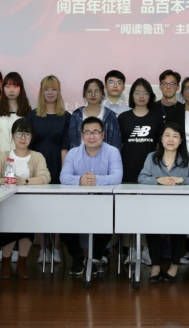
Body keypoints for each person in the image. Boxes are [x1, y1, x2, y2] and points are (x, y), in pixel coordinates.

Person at [137, 122, 189, 283]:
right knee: (151, 226)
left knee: (179, 226)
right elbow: (142, 177)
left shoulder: (187, 158)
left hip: (180, 205)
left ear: (181, 141)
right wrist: (158, 180)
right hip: (155, 205)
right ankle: (155, 266)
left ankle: (174, 265)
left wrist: (182, 180)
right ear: (161, 139)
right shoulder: (152, 157)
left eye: (175, 136)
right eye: (167, 135)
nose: (171, 139)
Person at [0, 119, 51, 279]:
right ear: (13, 135)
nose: (23, 137)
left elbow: (45, 177)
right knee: (9, 227)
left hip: (29, 204)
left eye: (27, 134)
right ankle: (6, 262)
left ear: (31, 137)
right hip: (7, 203)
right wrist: (7, 180)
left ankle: (22, 262)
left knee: (26, 228)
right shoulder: (4, 156)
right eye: (19, 133)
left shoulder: (37, 156)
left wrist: (24, 181)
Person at [59, 117, 123, 276]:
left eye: (95, 132)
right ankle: (77, 257)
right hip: (77, 203)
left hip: (103, 202)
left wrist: (97, 180)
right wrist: (80, 180)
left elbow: (117, 177)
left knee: (110, 217)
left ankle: (95, 257)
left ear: (103, 134)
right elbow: (63, 177)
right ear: (82, 135)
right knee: (62, 219)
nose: (91, 136)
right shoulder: (73, 153)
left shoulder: (112, 152)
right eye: (87, 132)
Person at [117, 77, 162, 266]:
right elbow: (118, 146)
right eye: (137, 92)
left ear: (150, 96)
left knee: (147, 213)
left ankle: (145, 249)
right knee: (129, 212)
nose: (141, 96)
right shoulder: (123, 118)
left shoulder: (157, 117)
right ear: (131, 95)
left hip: (150, 174)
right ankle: (131, 250)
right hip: (128, 172)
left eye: (145, 93)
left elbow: (160, 146)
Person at [27, 75, 71, 263]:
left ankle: (56, 248)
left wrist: (64, 173)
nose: (50, 93)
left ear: (59, 91)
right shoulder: (32, 116)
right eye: (47, 89)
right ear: (41, 92)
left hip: (57, 163)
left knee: (57, 208)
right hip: (37, 166)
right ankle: (43, 248)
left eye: (54, 89)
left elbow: (65, 146)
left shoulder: (66, 117)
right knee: (39, 208)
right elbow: (27, 145)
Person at [0, 71, 31, 166]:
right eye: (7, 86)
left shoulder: (27, 111)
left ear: (21, 88)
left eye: (15, 86)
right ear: (3, 88)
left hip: (21, 161)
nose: (11, 90)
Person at [69, 78, 121, 150]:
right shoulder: (76, 115)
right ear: (84, 94)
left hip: (105, 156)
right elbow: (72, 142)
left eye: (97, 91)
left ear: (103, 95)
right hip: (80, 156)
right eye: (89, 91)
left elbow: (116, 143)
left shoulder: (110, 116)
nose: (93, 94)